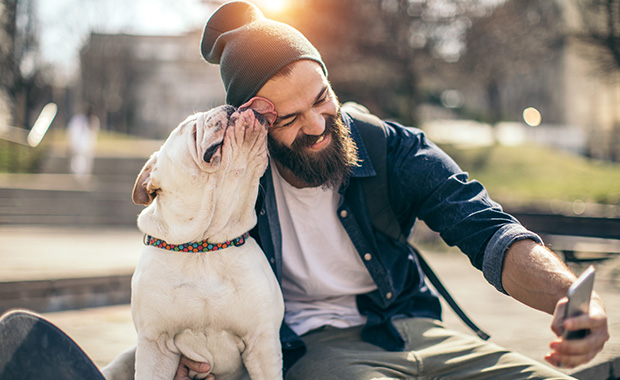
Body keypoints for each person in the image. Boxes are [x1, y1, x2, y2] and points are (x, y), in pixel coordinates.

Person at [0, 2, 609, 380]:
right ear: (253, 125)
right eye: (288, 121)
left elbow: (485, 228)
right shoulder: (232, 186)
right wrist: (187, 351)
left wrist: (567, 298)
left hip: (411, 327)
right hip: (318, 352)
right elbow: (179, 272)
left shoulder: (387, 146)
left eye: (321, 100)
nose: (317, 126)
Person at [67, 104, 99, 183]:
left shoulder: (93, 120)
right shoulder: (78, 120)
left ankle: (84, 180)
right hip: (78, 146)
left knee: (87, 165)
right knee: (77, 163)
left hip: (88, 147)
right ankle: (77, 180)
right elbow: (72, 132)